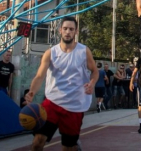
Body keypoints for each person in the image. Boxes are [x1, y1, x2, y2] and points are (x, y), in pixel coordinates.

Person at [25, 16, 98, 151]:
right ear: (60, 30)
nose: (68, 32)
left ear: (76, 32)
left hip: (74, 106)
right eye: (65, 29)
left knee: (67, 147)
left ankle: (74, 145)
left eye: (71, 29)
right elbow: (40, 76)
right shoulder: (51, 53)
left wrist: (92, 83)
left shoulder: (83, 51)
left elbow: (95, 71)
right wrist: (32, 92)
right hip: (52, 102)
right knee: (37, 142)